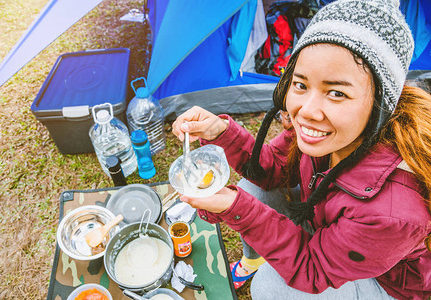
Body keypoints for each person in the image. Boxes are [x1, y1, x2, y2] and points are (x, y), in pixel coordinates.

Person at [171, 0, 431, 299]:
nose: (306, 111)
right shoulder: (328, 129)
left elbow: (312, 270)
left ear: (379, 105)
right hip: (326, 219)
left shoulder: (392, 212)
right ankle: (253, 259)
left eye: (336, 92)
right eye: (301, 85)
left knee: (271, 286)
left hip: (384, 280)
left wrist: (237, 208)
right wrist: (221, 132)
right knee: (252, 190)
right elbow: (271, 168)